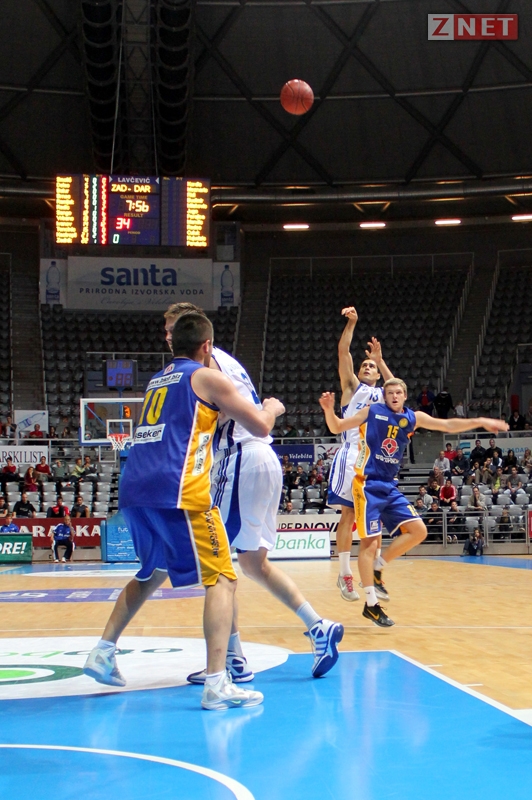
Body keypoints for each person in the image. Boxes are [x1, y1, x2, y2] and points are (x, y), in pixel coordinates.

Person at [84, 312, 286, 711]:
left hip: (134, 487)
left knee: (151, 572)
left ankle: (103, 651)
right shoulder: (208, 377)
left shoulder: (157, 380)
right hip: (179, 489)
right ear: (207, 346)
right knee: (223, 578)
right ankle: (217, 682)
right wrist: (272, 408)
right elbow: (260, 427)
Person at [162, 303, 343, 686]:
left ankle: (232, 662)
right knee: (252, 564)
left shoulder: (206, 366)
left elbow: (246, 419)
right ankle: (319, 627)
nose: (168, 337)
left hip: (240, 459)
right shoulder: (223, 363)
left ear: (196, 333)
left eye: (172, 329)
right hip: (260, 461)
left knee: (218, 568)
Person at [319, 378, 508, 627]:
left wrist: (481, 421)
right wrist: (328, 410)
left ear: (405, 396)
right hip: (366, 485)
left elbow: (448, 424)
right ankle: (371, 605)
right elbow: (337, 427)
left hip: (389, 486)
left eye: (398, 392)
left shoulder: (413, 417)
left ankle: (377, 567)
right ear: (384, 396)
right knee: (369, 543)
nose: (394, 396)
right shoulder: (372, 411)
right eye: (390, 392)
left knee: (419, 531)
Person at [326, 306, 394, 603]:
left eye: (371, 366)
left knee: (373, 521)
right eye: (364, 364)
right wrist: (352, 323)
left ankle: (373, 577)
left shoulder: (386, 395)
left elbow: (398, 389)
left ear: (378, 374)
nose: (366, 367)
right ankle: (344, 574)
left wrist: (381, 360)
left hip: (374, 461)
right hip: (351, 453)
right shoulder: (353, 387)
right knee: (349, 514)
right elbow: (343, 352)